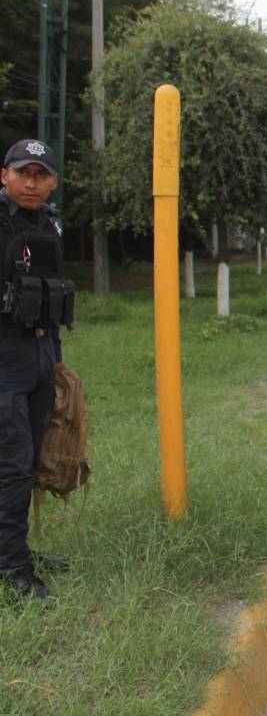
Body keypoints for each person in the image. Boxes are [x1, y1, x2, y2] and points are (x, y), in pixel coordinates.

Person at [0, 139, 72, 603]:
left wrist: (58, 359)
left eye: (40, 174)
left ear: (53, 182)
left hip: (41, 358)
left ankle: (15, 548)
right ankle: (13, 570)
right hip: (4, 362)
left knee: (28, 463)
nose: (31, 182)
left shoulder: (50, 223)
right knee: (11, 467)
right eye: (22, 172)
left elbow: (50, 294)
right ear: (3, 174)